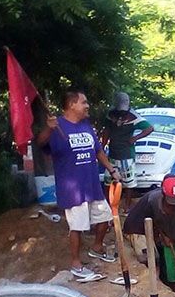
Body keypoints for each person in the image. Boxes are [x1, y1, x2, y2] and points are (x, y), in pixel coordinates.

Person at [37, 89, 121, 279]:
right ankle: (76, 264)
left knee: (105, 218)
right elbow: (40, 143)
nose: (87, 106)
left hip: (92, 184)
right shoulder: (57, 126)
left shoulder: (86, 125)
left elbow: (98, 151)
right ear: (72, 105)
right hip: (73, 188)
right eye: (84, 102)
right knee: (77, 226)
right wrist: (49, 128)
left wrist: (112, 169)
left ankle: (97, 248)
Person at [102, 92, 153, 211]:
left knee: (129, 182)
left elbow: (149, 128)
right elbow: (107, 131)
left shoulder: (134, 117)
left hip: (127, 155)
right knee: (107, 180)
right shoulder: (110, 115)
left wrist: (135, 138)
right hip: (113, 154)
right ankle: (108, 206)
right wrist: (103, 146)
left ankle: (127, 207)